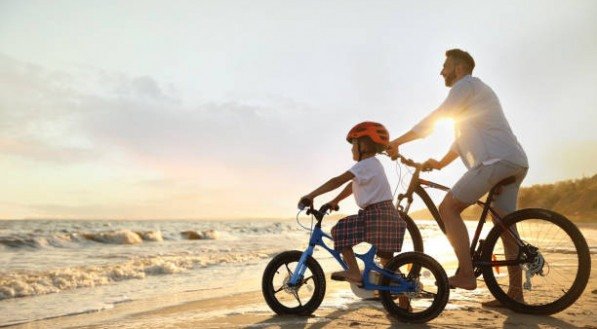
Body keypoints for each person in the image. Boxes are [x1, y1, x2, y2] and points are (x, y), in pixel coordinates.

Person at [387, 49, 529, 306]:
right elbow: (463, 139)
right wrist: (440, 163)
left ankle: (466, 274)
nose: (441, 71)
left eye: (445, 66)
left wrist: (396, 142)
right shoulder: (475, 95)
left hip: (494, 161)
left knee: (448, 207)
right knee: (506, 227)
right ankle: (515, 295)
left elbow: (435, 119)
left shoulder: (466, 86)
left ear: (460, 67)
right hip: (514, 161)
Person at [298, 121, 407, 284]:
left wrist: (311, 195)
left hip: (377, 215)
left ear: (364, 144)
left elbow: (337, 181)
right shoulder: (371, 165)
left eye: (354, 144)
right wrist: (335, 201)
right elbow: (352, 185)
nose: (351, 148)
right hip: (386, 215)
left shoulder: (365, 164)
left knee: (339, 230)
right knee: (388, 265)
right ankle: (404, 302)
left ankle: (354, 272)